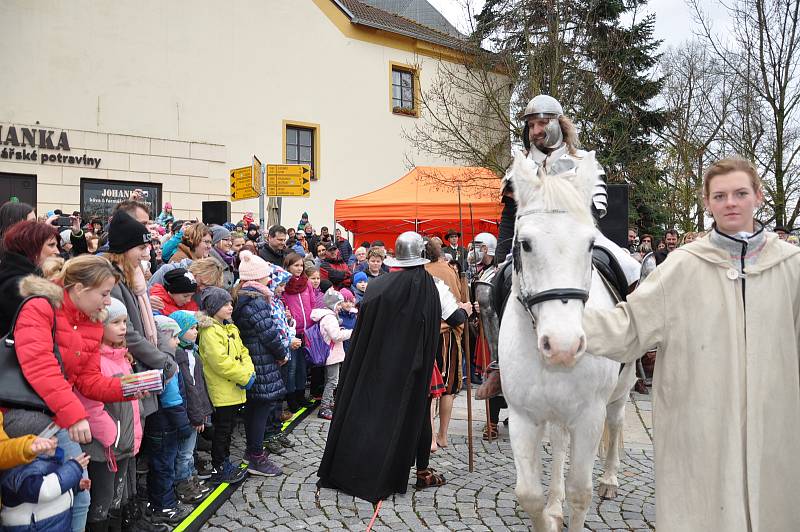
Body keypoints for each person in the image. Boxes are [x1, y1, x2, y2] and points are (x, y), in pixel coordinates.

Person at [582, 158, 800, 531]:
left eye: (740, 193)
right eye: (720, 195)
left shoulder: (791, 267)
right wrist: (567, 325)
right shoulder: (682, 267)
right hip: (701, 423)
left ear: (758, 197)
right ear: (707, 203)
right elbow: (629, 326)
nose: (730, 202)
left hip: (775, 422)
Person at [475, 93, 640, 400]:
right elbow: (510, 217)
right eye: (532, 125)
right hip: (531, 244)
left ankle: (631, 346)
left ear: (559, 125)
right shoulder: (519, 169)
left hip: (576, 238)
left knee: (630, 268)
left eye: (542, 123)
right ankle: (500, 365)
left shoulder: (582, 163)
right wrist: (500, 259)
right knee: (487, 289)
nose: (536, 130)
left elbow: (593, 211)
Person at [12, 255, 141, 532]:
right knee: (33, 500)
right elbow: (41, 368)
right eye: (104, 294)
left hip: (55, 414)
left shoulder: (91, 320)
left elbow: (87, 379)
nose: (108, 301)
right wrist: (75, 416)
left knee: (80, 496)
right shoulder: (40, 307)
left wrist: (129, 386)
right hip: (23, 415)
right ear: (80, 288)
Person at [317, 232, 444, 502]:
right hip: (412, 369)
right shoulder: (429, 287)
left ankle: (372, 468)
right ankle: (421, 471)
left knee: (370, 412)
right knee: (418, 415)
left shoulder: (380, 286)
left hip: (376, 366)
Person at [106, 210, 179, 420]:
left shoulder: (133, 276)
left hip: (143, 366)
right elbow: (127, 333)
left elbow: (148, 323)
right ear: (125, 249)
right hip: (129, 368)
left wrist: (164, 356)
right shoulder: (112, 281)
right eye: (140, 248)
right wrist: (163, 361)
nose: (145, 252)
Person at [78, 297, 143, 531]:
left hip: (121, 443)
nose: (123, 327)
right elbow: (90, 404)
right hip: (104, 447)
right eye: (116, 322)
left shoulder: (122, 357)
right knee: (101, 503)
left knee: (117, 497)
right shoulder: (95, 360)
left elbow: (128, 405)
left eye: (125, 321)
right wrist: (110, 435)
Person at [231, 251, 286, 477]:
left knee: (255, 408)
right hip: (261, 360)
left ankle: (253, 451)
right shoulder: (256, 301)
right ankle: (255, 455)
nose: (270, 279)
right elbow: (269, 333)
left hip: (254, 358)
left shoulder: (245, 297)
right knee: (260, 408)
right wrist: (281, 353)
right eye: (266, 276)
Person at [197, 287, 252, 485]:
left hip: (234, 385)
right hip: (222, 388)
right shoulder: (210, 331)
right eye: (225, 304)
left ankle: (225, 461)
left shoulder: (230, 327)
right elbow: (219, 362)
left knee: (227, 428)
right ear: (213, 307)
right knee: (223, 429)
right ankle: (219, 465)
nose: (230, 307)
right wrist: (244, 376)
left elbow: (243, 351)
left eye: (230, 303)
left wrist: (247, 372)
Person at [169, 310, 213, 502]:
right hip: (188, 412)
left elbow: (199, 385)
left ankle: (190, 478)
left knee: (190, 451)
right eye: (191, 328)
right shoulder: (180, 355)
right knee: (184, 452)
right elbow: (190, 388)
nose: (196, 332)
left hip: (195, 410)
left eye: (196, 328)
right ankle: (183, 483)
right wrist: (197, 414)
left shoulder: (192, 351)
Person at [0, 442, 90, 532]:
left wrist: (75, 485)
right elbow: (43, 491)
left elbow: (57, 485)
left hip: (56, 522)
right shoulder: (20, 469)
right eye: (50, 436)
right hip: (34, 526)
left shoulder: (50, 461)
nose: (55, 440)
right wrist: (73, 469)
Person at [0, 220, 60, 336]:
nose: (57, 251)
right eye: (51, 245)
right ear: (31, 247)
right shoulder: (19, 286)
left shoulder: (17, 276)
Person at [282, 253, 320, 412]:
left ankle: (300, 394)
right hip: (292, 331)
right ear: (288, 266)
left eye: (300, 265)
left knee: (303, 366)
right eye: (295, 265)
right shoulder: (284, 284)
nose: (299, 269)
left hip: (307, 330)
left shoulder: (307, 283)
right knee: (292, 366)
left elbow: (312, 303)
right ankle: (291, 397)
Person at [311, 289, 353, 421]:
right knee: (332, 381)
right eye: (339, 304)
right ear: (333, 304)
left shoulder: (326, 316)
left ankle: (328, 403)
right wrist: (351, 332)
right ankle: (324, 408)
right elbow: (336, 336)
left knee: (330, 380)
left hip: (330, 353)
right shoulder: (330, 318)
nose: (340, 306)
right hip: (332, 354)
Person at [208, 225, 236, 290]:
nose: (230, 243)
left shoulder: (228, 258)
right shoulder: (210, 261)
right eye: (226, 240)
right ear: (215, 240)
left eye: (230, 240)